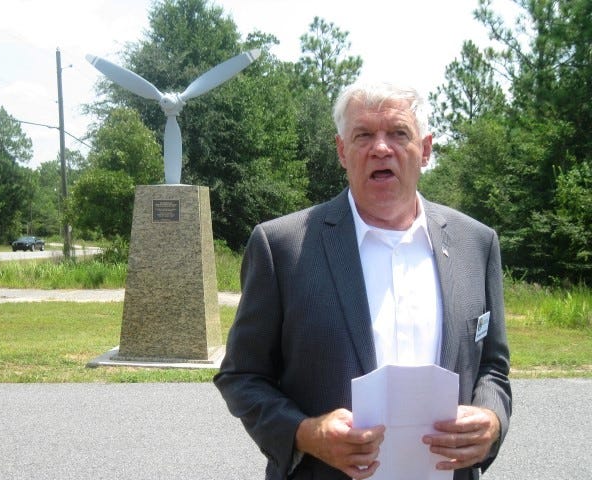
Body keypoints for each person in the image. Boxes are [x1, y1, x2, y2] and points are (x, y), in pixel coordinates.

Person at [214, 81, 511, 480]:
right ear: (342, 151)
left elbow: (493, 367)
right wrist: (305, 433)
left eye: (398, 133)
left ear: (425, 149)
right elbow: (241, 375)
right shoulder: (283, 246)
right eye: (364, 135)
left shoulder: (476, 243)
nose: (381, 148)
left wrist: (491, 420)